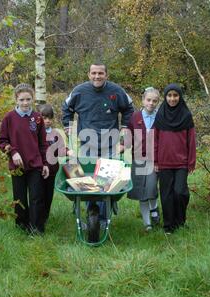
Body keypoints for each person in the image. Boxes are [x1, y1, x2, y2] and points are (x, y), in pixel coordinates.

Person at [62, 62, 135, 226]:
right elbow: (66, 107)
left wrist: (124, 128)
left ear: (106, 75)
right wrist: (68, 126)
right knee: (88, 182)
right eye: (94, 73)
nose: (97, 76)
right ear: (88, 74)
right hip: (87, 144)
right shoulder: (79, 91)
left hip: (110, 145)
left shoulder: (116, 91)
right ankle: (90, 214)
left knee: (105, 182)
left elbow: (129, 108)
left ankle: (102, 218)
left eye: (100, 73)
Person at [0, 84, 50, 234]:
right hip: (18, 166)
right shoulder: (9, 118)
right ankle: (22, 226)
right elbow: (2, 141)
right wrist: (13, 152)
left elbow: (42, 143)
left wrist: (45, 163)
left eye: (28, 99)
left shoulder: (37, 118)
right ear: (16, 99)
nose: (25, 103)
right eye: (22, 100)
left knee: (36, 197)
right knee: (19, 198)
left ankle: (36, 228)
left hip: (35, 164)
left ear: (32, 99)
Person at [154, 83, 196, 234]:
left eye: (175, 95)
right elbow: (155, 140)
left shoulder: (186, 115)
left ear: (180, 96)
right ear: (165, 97)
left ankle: (180, 221)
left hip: (181, 163)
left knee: (180, 192)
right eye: (169, 95)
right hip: (164, 162)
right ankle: (168, 226)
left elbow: (191, 140)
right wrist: (155, 161)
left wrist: (191, 161)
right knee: (166, 195)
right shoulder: (160, 115)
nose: (172, 98)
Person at [127, 87, 161, 232]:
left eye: (154, 101)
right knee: (141, 191)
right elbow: (128, 135)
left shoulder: (160, 118)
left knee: (151, 187)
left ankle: (154, 208)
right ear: (143, 100)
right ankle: (147, 223)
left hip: (154, 159)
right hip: (138, 158)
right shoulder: (135, 117)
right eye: (148, 100)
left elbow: (163, 140)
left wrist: (158, 161)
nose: (151, 103)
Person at [38, 103, 69, 225]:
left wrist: (68, 152)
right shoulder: (34, 133)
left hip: (52, 169)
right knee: (37, 194)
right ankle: (36, 216)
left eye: (50, 118)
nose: (47, 121)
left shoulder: (55, 134)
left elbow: (61, 150)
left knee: (48, 193)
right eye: (44, 118)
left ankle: (45, 216)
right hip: (38, 168)